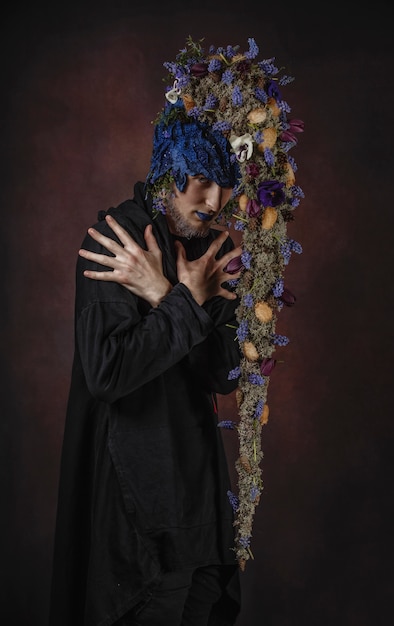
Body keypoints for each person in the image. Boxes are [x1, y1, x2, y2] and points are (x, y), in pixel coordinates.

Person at [48, 46, 244, 626]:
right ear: (169, 169)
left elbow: (224, 373)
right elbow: (108, 372)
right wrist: (185, 303)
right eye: (202, 181)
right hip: (142, 523)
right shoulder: (117, 240)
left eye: (226, 184)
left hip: (202, 514)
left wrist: (165, 296)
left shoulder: (216, 249)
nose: (214, 202)